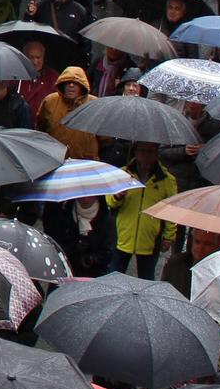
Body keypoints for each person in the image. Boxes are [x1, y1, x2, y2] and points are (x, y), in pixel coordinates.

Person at [106, 142, 177, 278]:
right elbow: (110, 202)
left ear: (156, 154)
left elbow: (171, 210)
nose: (146, 156)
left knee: (147, 278)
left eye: (150, 152)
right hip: (123, 236)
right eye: (142, 151)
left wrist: (169, 236)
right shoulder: (122, 174)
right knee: (114, 276)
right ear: (135, 152)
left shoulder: (167, 180)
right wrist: (117, 196)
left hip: (150, 239)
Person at [35, 67, 98, 160]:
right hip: (55, 159)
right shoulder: (50, 101)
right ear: (62, 84)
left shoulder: (94, 104)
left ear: (82, 86)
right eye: (68, 82)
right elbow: (40, 129)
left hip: (85, 162)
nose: (71, 85)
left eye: (76, 83)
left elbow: (105, 138)